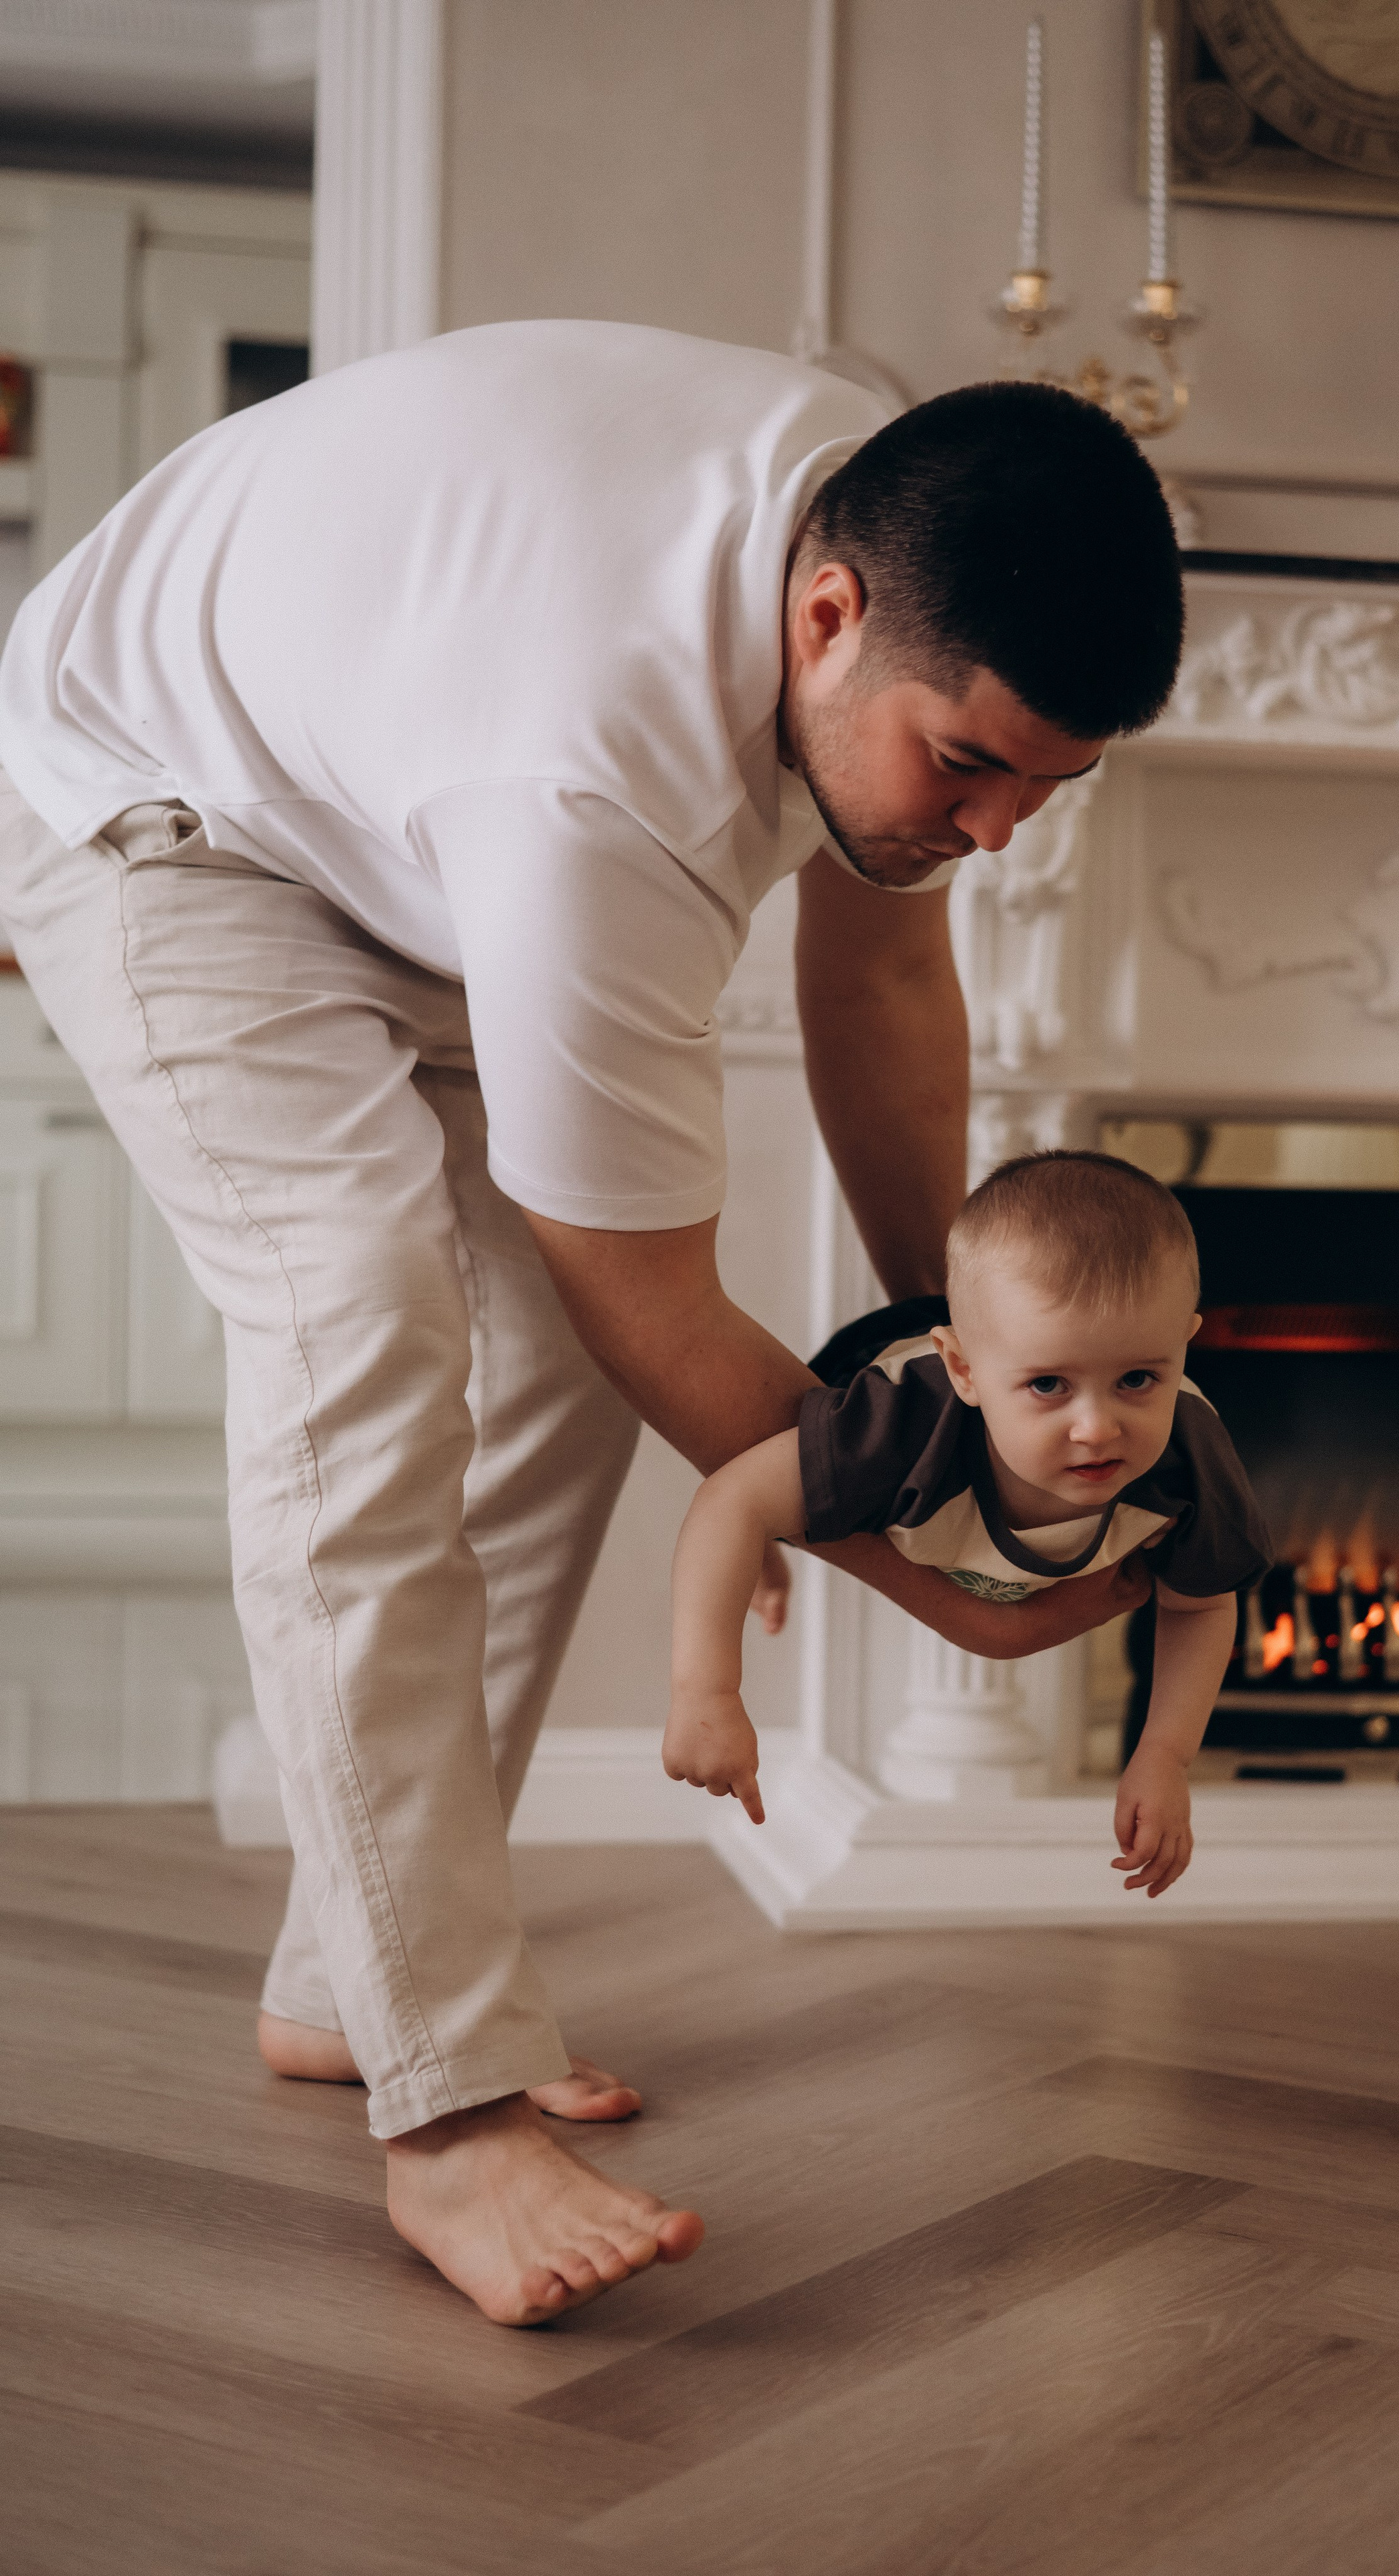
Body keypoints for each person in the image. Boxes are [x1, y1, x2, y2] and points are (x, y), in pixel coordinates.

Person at [0, 323, 1185, 2327]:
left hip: (393, 788)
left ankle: (348, 1972)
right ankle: (443, 2102)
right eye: (971, 770)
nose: (994, 832)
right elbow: (646, 1290)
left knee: (538, 1368)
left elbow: (882, 994)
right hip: (157, 793)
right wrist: (950, 1561)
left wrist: (951, 1361)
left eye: (1042, 793)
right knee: (360, 1328)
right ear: (822, 615)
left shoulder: (892, 569)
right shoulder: (593, 769)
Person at [667, 1150, 1271, 1891]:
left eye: (1138, 1379)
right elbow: (732, 1496)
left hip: (973, 1508)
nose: (1097, 1427)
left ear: (1185, 1344)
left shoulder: (1190, 1466)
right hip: (871, 1394)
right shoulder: (894, 1427)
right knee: (770, 1488)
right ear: (964, 1370)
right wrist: (707, 1691)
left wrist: (1164, 1755)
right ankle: (766, 1557)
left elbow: (1202, 1606)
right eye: (1049, 1384)